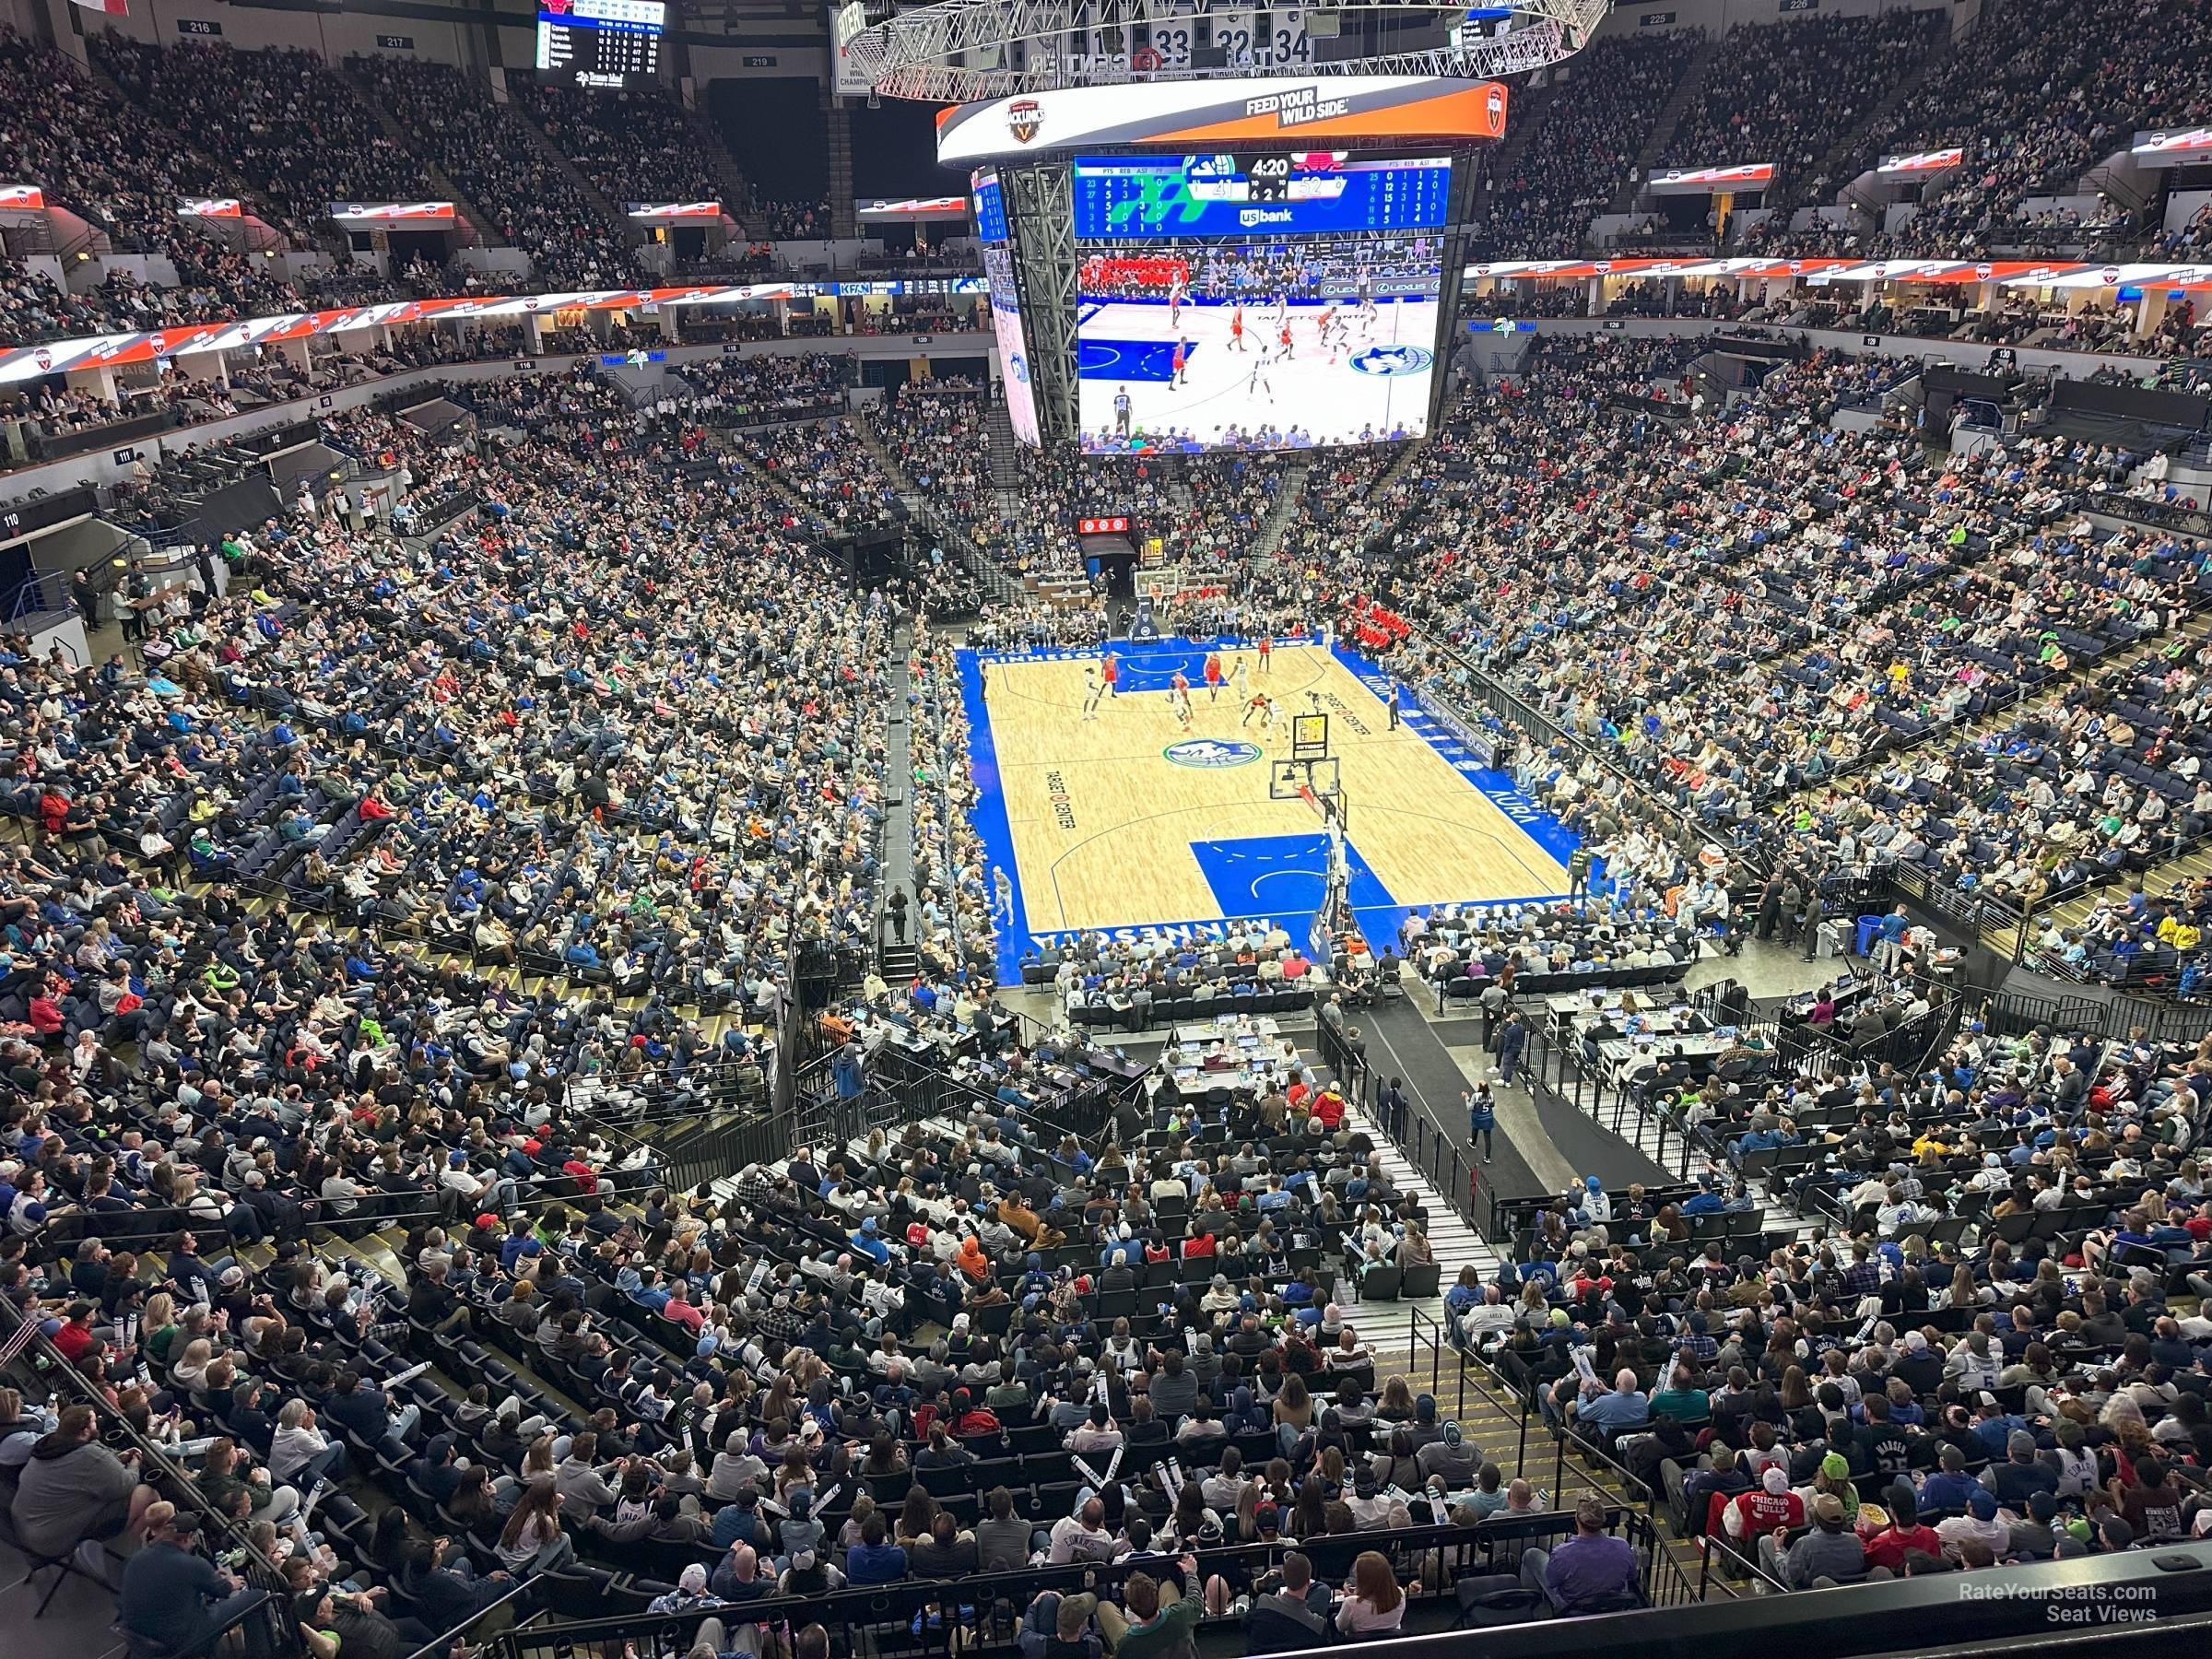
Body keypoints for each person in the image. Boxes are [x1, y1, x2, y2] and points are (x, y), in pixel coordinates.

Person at [119, 1509, 268, 1657]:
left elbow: (172, 1584)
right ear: (189, 1537)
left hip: (143, 1641)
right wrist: (231, 1583)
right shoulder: (193, 1564)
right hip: (182, 1640)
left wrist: (204, 1579)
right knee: (258, 1597)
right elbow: (222, 1590)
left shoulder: (136, 1559)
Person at [1521, 1497, 1639, 1613]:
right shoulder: (1622, 1546)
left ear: (1577, 1519)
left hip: (1572, 1608)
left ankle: (1534, 1611)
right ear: (1603, 1520)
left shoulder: (1562, 1553)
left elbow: (1552, 1581)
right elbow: (1632, 1576)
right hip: (1613, 1605)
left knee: (1530, 1555)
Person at [1465, 1082, 1496, 1162]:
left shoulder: (1476, 1095)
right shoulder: (1491, 1094)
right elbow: (1493, 1104)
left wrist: (1466, 1098)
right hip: (1488, 1118)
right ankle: (1487, 1157)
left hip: (1478, 1117)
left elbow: (1470, 1107)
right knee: (1487, 1138)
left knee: (1475, 1128)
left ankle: (1473, 1143)